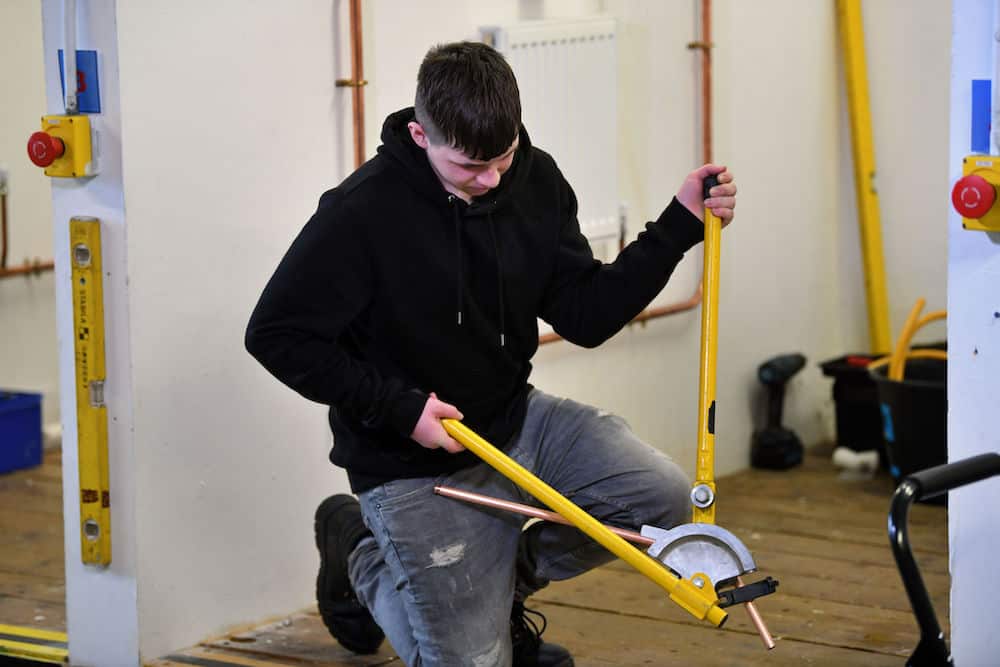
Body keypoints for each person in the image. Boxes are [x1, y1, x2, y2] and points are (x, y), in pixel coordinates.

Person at [246, 40, 736, 667]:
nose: (493, 180)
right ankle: (361, 555)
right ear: (421, 136)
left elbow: (585, 317)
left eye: (503, 157)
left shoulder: (534, 178)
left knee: (663, 503)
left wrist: (679, 225)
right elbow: (276, 334)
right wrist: (400, 409)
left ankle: (495, 589)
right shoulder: (360, 213)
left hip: (514, 420)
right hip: (408, 463)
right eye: (470, 167)